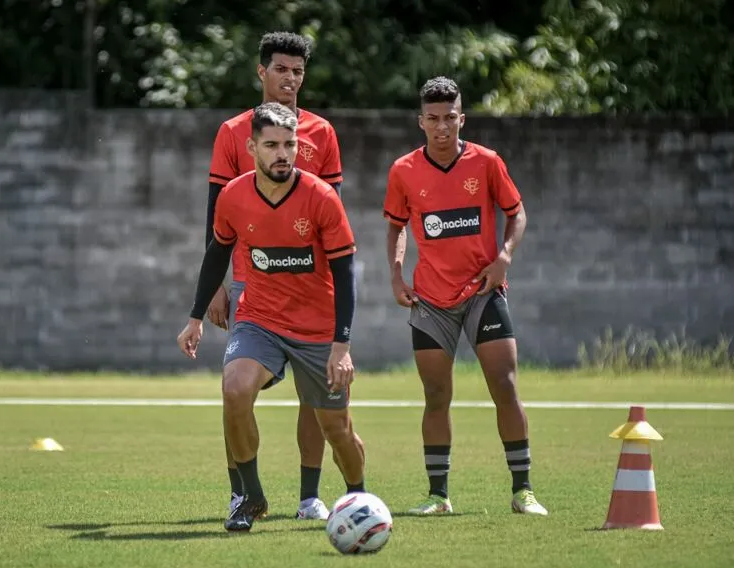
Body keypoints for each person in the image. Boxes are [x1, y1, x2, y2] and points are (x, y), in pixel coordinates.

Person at [178, 102, 366, 532]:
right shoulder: (234, 196)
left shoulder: (321, 198)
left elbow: (344, 274)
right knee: (235, 388)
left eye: (289, 144)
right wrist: (195, 318)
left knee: (339, 432)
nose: (282, 153)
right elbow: (216, 255)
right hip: (259, 319)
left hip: (318, 329)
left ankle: (361, 496)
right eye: (272, 145)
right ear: (253, 147)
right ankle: (250, 496)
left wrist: (342, 346)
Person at [383, 76, 548, 516]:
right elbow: (396, 227)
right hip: (431, 300)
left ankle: (523, 490)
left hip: (483, 292)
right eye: (433, 119)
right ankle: (438, 495)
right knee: (436, 395)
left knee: (505, 385)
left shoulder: (487, 162)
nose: (442, 127)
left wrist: (505, 256)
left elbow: (517, 213)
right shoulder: (403, 170)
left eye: (450, 118)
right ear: (421, 122)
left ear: (462, 118)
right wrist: (397, 276)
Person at [204, 31, 344, 520]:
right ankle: (242, 492)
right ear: (260, 72)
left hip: (311, 290)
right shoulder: (232, 133)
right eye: (281, 69)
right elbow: (215, 220)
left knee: (315, 395)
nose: (290, 78)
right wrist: (217, 286)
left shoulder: (322, 135)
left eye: (298, 71)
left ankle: (310, 496)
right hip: (249, 284)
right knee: (235, 390)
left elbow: (333, 219)